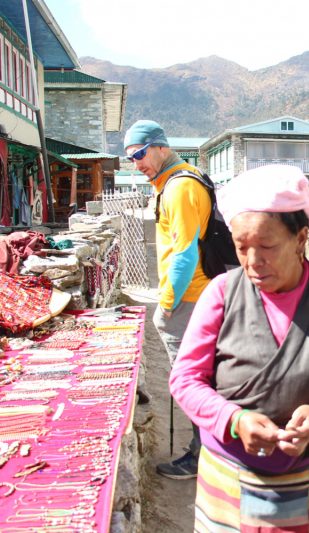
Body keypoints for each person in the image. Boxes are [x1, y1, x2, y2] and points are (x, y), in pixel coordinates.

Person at [169, 165, 309, 533]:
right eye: (241, 247)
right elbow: (185, 380)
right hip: (228, 479)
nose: (252, 262)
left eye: (266, 246)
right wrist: (234, 420)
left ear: (300, 239)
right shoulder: (220, 294)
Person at [124, 120, 211, 479]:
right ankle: (213, 451)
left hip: (188, 299)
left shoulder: (178, 188)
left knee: (193, 382)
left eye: (141, 154)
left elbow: (185, 253)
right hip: (198, 297)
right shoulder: (183, 179)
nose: (136, 163)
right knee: (206, 377)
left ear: (161, 146)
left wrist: (167, 303)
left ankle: (205, 457)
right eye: (130, 158)